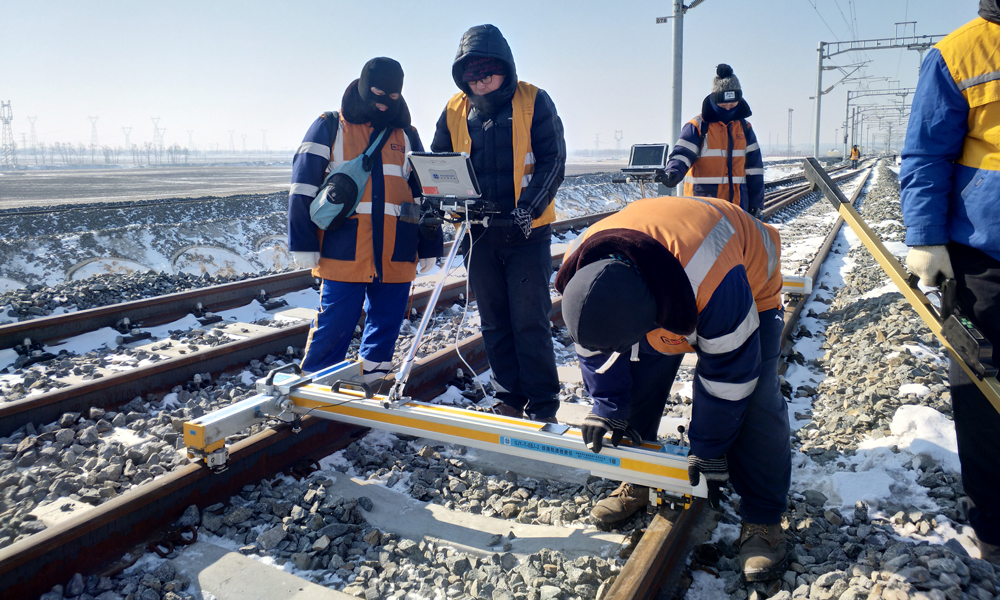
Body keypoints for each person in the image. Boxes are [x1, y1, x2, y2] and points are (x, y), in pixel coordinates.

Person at [554, 195, 790, 582]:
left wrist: (709, 448)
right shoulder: (580, 272)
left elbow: (730, 378)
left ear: (656, 315)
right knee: (639, 377)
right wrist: (608, 406)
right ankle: (640, 478)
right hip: (662, 264)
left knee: (756, 402)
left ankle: (764, 519)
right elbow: (595, 351)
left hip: (747, 277)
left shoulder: (716, 281)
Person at [900, 0, 1000, 566]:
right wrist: (926, 238)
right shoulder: (958, 54)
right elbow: (926, 152)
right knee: (983, 390)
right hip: (983, 255)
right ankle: (995, 524)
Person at [430, 24, 566, 422]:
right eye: (473, 76)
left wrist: (530, 207)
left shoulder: (534, 101)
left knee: (530, 320)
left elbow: (552, 160)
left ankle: (543, 405)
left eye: (488, 74)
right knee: (493, 319)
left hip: (527, 231)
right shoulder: (455, 109)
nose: (482, 83)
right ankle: (509, 395)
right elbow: (441, 163)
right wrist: (445, 205)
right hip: (478, 234)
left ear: (505, 69)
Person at [287, 57, 442, 382]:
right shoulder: (331, 125)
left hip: (397, 250)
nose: (383, 103)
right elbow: (302, 186)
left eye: (392, 97)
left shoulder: (408, 135)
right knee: (335, 322)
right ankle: (316, 388)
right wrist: (302, 241)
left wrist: (429, 244)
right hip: (343, 247)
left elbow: (424, 195)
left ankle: (371, 385)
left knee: (386, 323)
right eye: (375, 93)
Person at [659, 64, 765, 219]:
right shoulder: (698, 127)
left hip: (738, 207)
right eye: (724, 104)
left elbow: (754, 170)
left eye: (733, 104)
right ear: (715, 100)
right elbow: (682, 154)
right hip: (703, 207)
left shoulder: (745, 128)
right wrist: (673, 173)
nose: (728, 109)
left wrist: (756, 204)